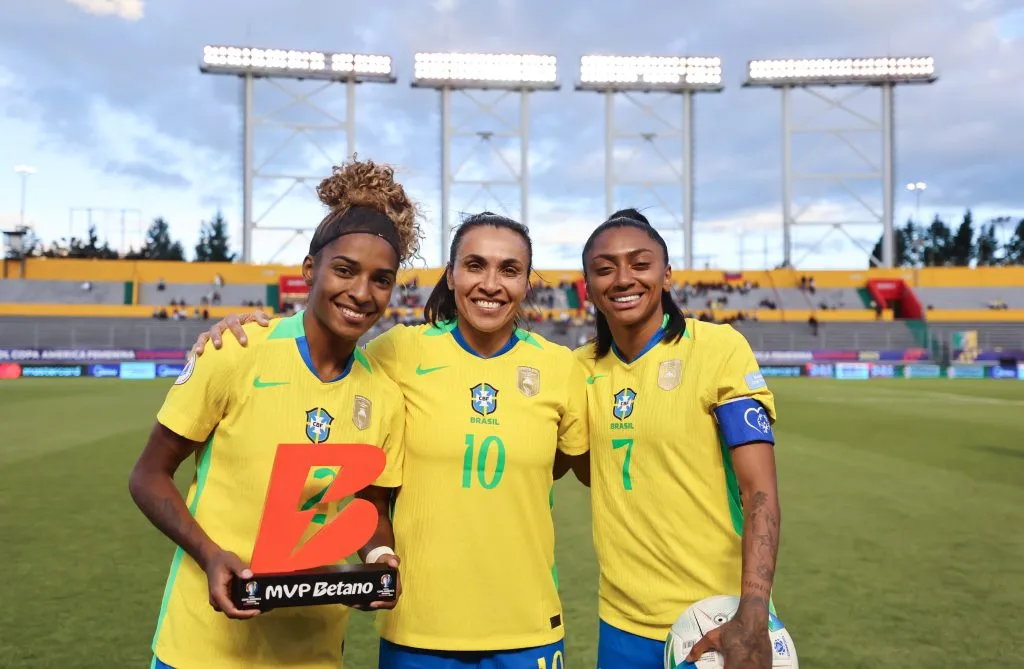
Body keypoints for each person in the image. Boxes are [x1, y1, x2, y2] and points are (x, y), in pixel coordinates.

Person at [190, 212, 590, 669]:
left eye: (509, 269)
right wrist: (251, 329)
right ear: (452, 275)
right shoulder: (398, 352)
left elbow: (561, 465)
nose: (491, 284)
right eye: (475, 265)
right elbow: (322, 355)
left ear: (526, 282)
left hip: (529, 624)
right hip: (417, 627)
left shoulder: (560, 368)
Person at [128, 157, 423, 669]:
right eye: (345, 270)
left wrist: (376, 562)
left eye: (381, 280)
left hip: (312, 651)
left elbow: (371, 509)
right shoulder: (236, 351)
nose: (361, 293)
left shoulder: (384, 395)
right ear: (310, 271)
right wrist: (209, 553)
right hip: (202, 647)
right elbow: (148, 476)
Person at [570, 209, 782, 669]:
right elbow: (592, 469)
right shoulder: (578, 369)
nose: (623, 279)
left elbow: (759, 490)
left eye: (640, 264)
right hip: (621, 623)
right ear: (587, 287)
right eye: (604, 269)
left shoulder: (718, 349)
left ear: (666, 275)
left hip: (715, 619)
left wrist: (752, 615)